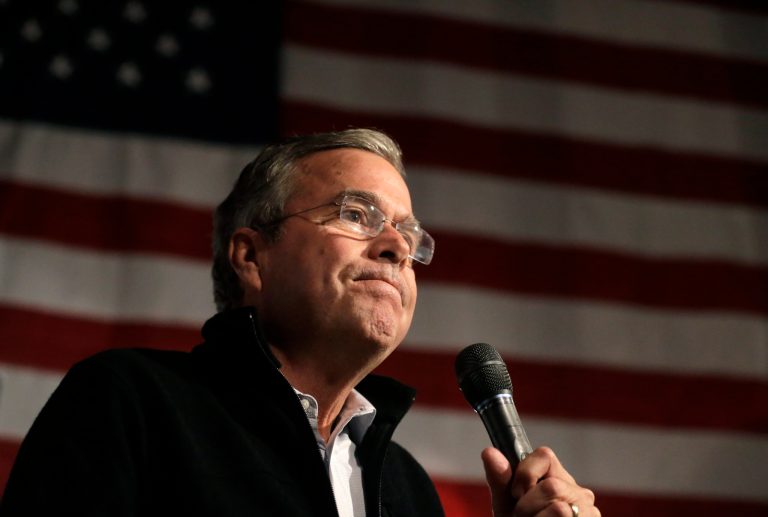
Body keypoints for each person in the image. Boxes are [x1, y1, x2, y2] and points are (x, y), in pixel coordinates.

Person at [0, 129, 599, 516]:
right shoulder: (129, 402)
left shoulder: (408, 489)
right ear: (252, 257)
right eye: (356, 213)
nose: (395, 246)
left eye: (409, 235)